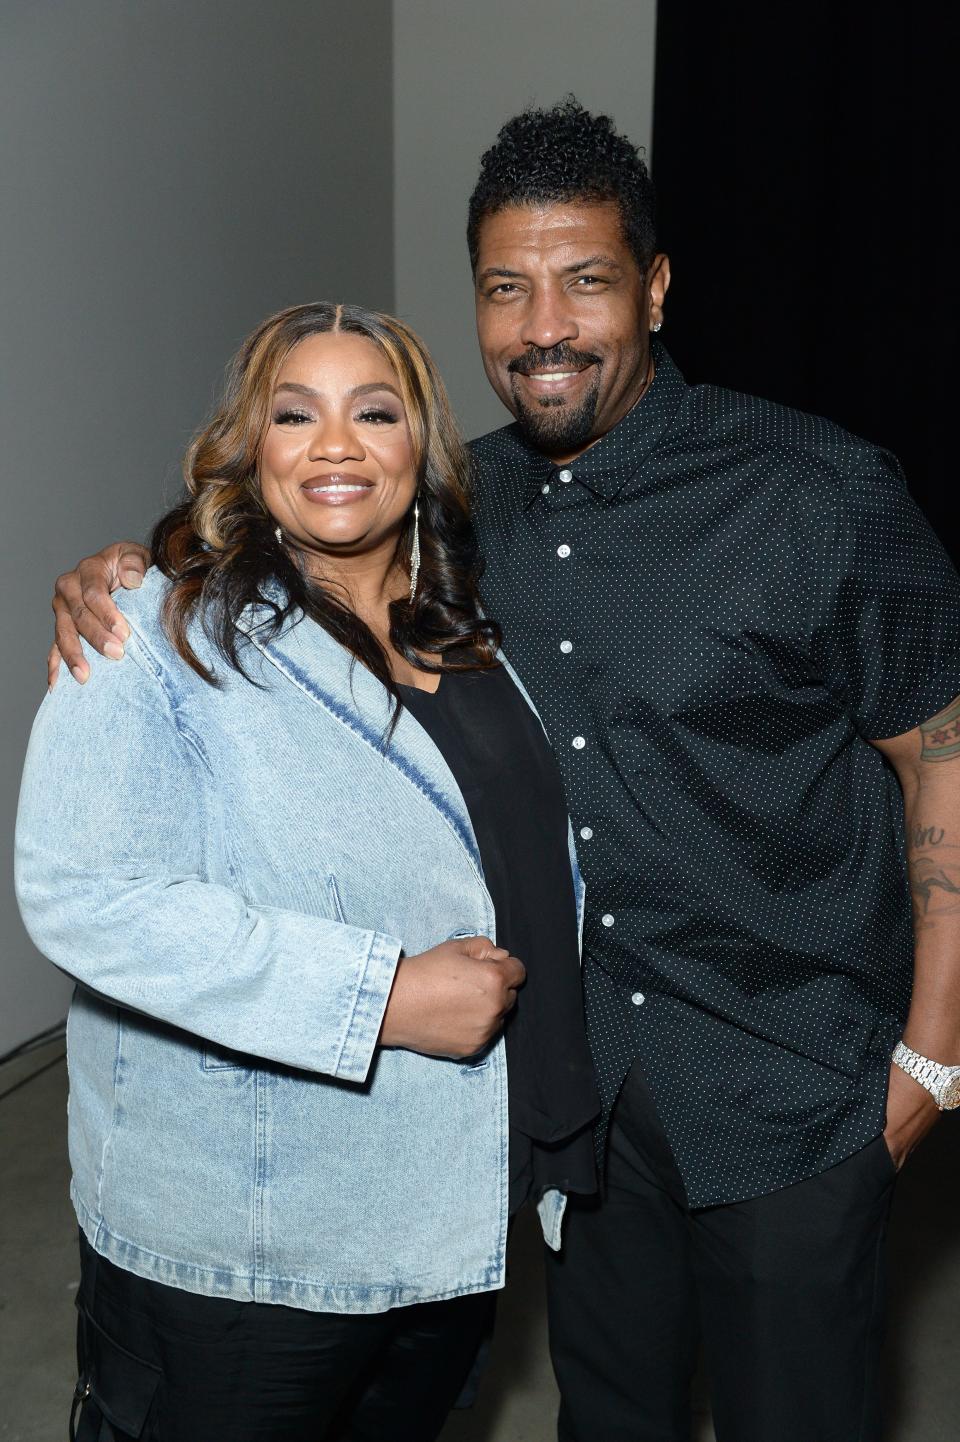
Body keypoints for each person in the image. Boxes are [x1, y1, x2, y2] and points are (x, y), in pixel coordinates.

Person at [46, 99, 960, 1442]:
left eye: (586, 281)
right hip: (574, 1096)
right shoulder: (460, 510)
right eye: (506, 288)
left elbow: (939, 748)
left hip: (791, 1079)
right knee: (610, 1417)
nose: (544, 327)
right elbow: (301, 518)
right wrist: (135, 563)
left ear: (652, 288)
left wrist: (935, 1052)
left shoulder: (819, 493)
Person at [16, 300, 600, 1442]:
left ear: (418, 449)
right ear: (250, 449)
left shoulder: (470, 635)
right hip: (249, 1249)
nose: (336, 443)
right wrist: (378, 994)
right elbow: (82, 888)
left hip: (447, 1219)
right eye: (296, 413)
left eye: (373, 411)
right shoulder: (156, 625)